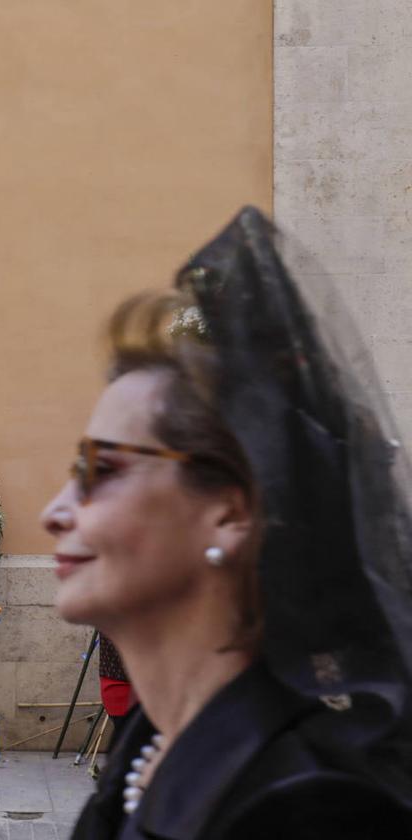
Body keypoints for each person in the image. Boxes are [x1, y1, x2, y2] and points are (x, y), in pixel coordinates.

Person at [41, 207, 412, 838]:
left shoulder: (311, 809)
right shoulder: (152, 738)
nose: (54, 512)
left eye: (103, 469)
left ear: (230, 512)